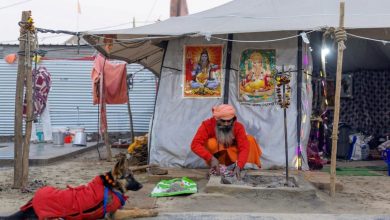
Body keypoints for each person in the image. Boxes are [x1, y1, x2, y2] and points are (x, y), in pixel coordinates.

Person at [191, 104, 262, 179]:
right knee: (211, 143)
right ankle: (217, 167)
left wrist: (239, 166)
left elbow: (244, 147)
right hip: (217, 158)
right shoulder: (207, 125)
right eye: (223, 121)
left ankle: (239, 166)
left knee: (249, 139)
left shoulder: (238, 126)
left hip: (234, 156)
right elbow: (195, 145)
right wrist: (211, 158)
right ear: (217, 119)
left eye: (229, 121)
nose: (226, 124)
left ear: (233, 119)